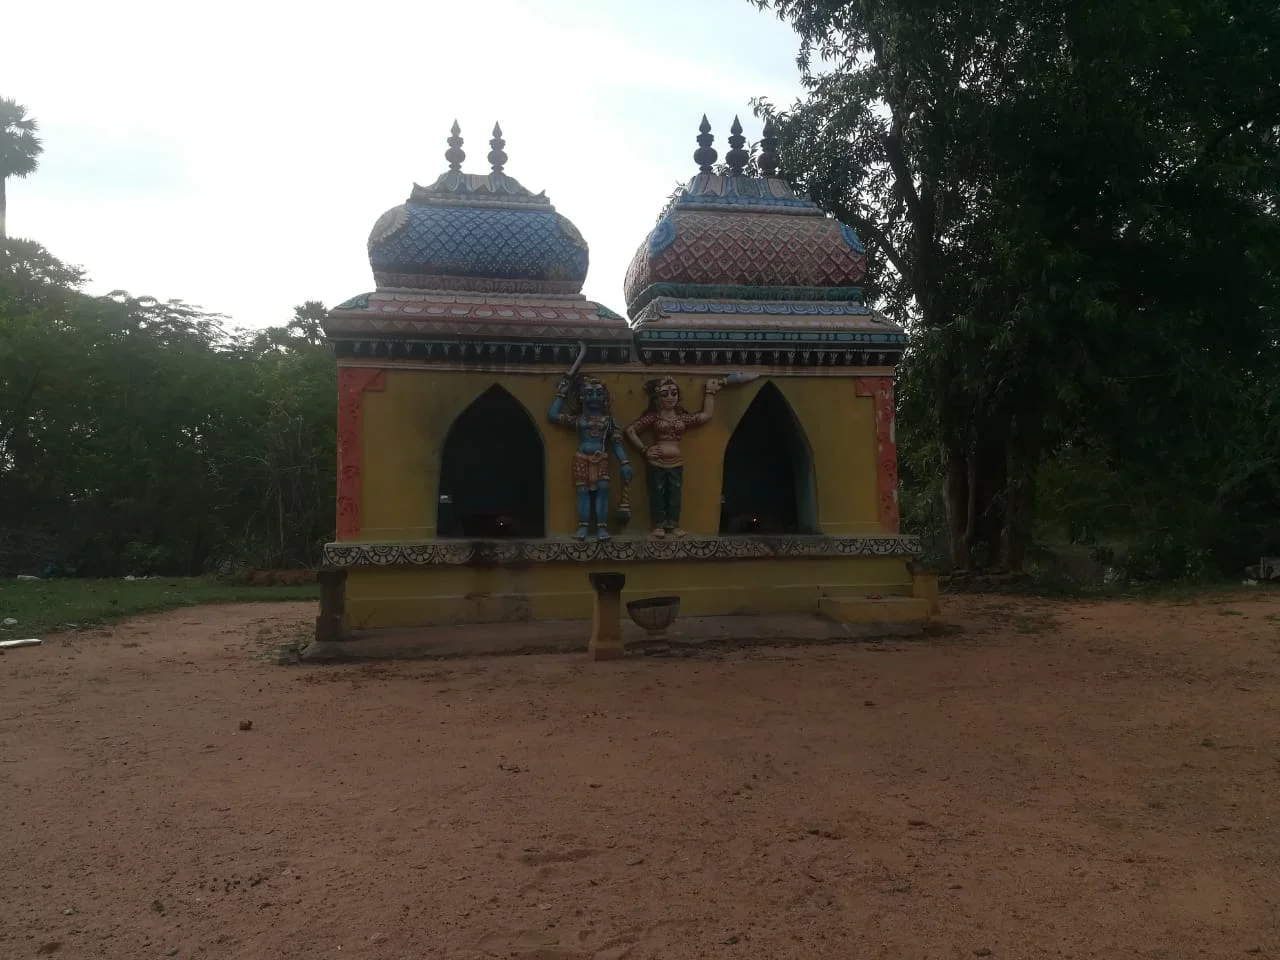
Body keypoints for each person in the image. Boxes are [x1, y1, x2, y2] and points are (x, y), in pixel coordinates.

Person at [624, 377, 721, 538]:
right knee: (658, 493)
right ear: (657, 398)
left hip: (676, 462)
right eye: (665, 394)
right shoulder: (654, 417)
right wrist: (644, 450)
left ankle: (673, 524)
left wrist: (710, 392)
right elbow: (630, 430)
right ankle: (659, 525)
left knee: (675, 495)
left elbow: (705, 416)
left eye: (674, 393)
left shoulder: (681, 418)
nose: (670, 397)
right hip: (657, 461)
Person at [548, 376, 632, 540]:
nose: (594, 397)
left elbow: (617, 444)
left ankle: (601, 527)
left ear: (605, 398)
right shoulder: (579, 420)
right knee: (583, 492)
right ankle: (583, 527)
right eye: (589, 393)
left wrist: (625, 463)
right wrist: (561, 393)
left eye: (598, 393)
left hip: (601, 459)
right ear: (582, 397)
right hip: (581, 458)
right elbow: (552, 416)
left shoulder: (609, 422)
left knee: (603, 491)